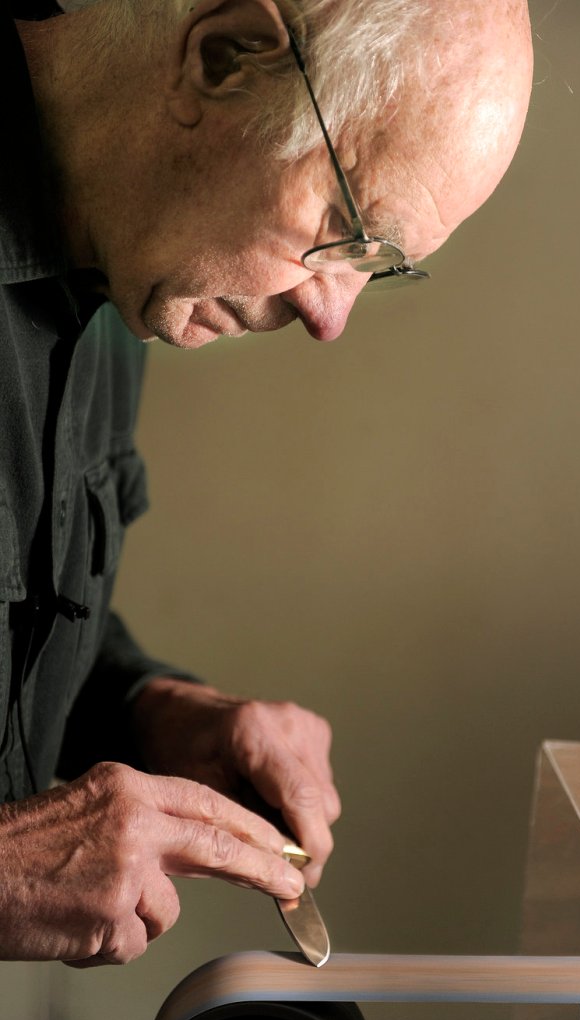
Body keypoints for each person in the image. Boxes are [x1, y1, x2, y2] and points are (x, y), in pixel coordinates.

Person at [0, 0, 533, 969]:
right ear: (223, 56)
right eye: (344, 226)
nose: (331, 319)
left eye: (382, 269)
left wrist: (144, 709)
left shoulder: (123, 256)